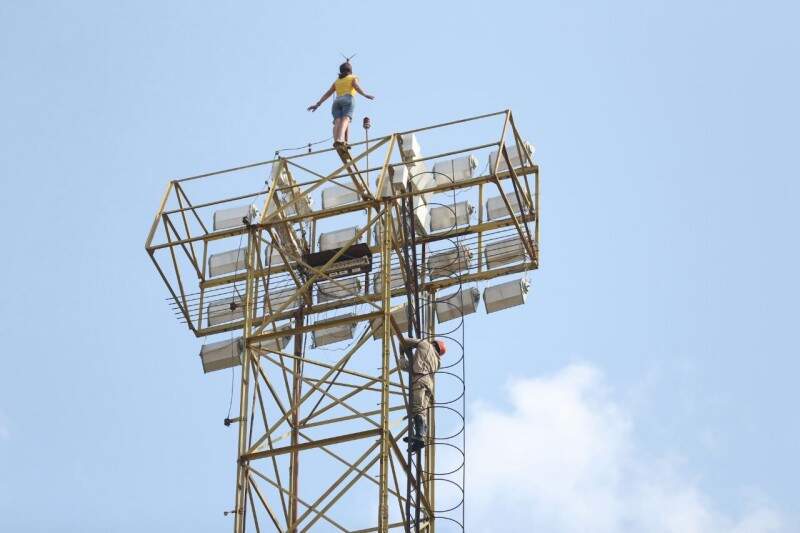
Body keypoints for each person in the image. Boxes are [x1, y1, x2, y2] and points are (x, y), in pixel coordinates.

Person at [307, 61, 375, 148]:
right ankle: (340, 139)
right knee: (346, 119)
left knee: (337, 122)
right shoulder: (353, 77)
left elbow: (328, 93)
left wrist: (318, 104)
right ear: (350, 70)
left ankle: (339, 141)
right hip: (348, 99)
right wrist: (365, 94)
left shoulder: (337, 81)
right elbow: (356, 87)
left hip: (337, 102)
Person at [399, 336, 446, 452]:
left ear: (433, 344)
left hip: (420, 380)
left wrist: (402, 354)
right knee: (422, 411)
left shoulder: (424, 344)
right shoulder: (437, 362)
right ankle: (420, 437)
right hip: (429, 386)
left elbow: (403, 341)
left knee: (416, 408)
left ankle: (419, 435)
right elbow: (414, 366)